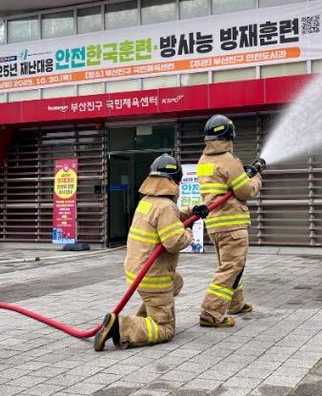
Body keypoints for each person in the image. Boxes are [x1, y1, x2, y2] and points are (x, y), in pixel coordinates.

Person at [95, 153, 209, 351]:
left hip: (137, 272)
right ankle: (121, 327)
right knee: (165, 328)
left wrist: (193, 211)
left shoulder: (147, 201)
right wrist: (189, 231)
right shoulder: (166, 207)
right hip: (154, 277)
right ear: (174, 182)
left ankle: (144, 317)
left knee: (177, 282)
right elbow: (175, 242)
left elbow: (171, 217)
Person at [197, 115, 263, 327]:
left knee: (230, 265)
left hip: (215, 225)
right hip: (232, 225)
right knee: (231, 267)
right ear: (229, 136)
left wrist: (243, 174)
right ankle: (211, 313)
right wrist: (256, 177)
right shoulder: (228, 161)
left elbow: (225, 185)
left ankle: (235, 303)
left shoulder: (203, 161)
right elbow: (245, 190)